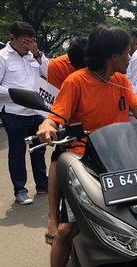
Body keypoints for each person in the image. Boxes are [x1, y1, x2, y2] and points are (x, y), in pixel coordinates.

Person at [37, 24, 137, 267]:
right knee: (67, 230)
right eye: (127, 52)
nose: (130, 58)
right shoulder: (76, 81)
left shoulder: (120, 80)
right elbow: (56, 115)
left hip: (120, 158)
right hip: (84, 161)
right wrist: (47, 125)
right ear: (113, 55)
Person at [0, 21, 49, 205]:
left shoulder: (33, 56)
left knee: (38, 148)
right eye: (24, 41)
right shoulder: (0, 58)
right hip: (13, 112)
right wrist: (15, 94)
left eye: (32, 40)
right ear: (12, 38)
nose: (28, 45)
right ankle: (20, 189)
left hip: (35, 111)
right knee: (17, 151)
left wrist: (37, 53)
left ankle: (42, 184)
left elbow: (49, 73)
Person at [44, 37, 88, 247]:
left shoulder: (113, 75)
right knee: (58, 156)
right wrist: (51, 124)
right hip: (68, 119)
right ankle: (53, 218)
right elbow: (55, 100)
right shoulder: (58, 67)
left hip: (97, 129)